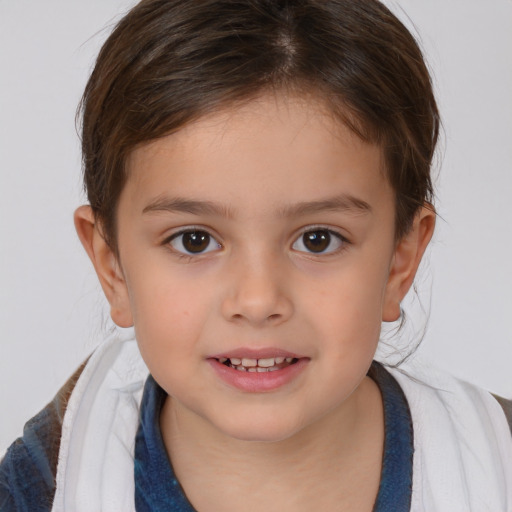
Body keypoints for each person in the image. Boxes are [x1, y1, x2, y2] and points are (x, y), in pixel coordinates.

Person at [1, 0, 511, 510]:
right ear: (112, 266)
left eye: (318, 239)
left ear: (401, 259)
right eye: (194, 240)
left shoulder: (496, 466)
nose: (258, 299)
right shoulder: (38, 490)